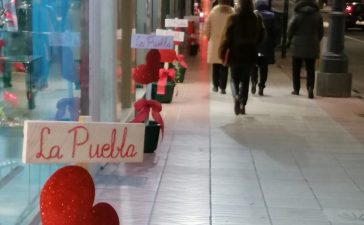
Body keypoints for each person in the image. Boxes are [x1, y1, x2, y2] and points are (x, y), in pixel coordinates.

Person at [219, 0, 264, 115]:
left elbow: (227, 38)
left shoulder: (233, 18)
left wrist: (222, 51)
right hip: (250, 53)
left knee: (234, 79)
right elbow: (262, 34)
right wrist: (255, 43)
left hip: (235, 53)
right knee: (245, 80)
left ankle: (236, 96)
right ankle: (243, 105)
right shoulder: (256, 18)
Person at [287, 0, 324, 99]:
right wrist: (316, 40)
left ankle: (296, 89)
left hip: (298, 44)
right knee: (310, 69)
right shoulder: (318, 15)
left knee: (296, 68)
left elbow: (291, 28)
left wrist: (289, 39)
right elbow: (321, 31)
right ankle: (310, 88)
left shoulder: (297, 14)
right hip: (312, 44)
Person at [204, 0, 234, 94]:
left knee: (215, 66)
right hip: (227, 42)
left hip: (215, 42)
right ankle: (223, 87)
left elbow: (207, 27)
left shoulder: (213, 12)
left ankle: (215, 86)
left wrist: (209, 36)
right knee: (224, 65)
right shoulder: (232, 12)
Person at [251, 0, 277, 96]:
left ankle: (253, 81)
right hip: (267, 46)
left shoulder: (254, 16)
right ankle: (261, 86)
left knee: (254, 65)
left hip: (255, 45)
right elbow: (275, 33)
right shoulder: (272, 17)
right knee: (264, 68)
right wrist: (273, 44)